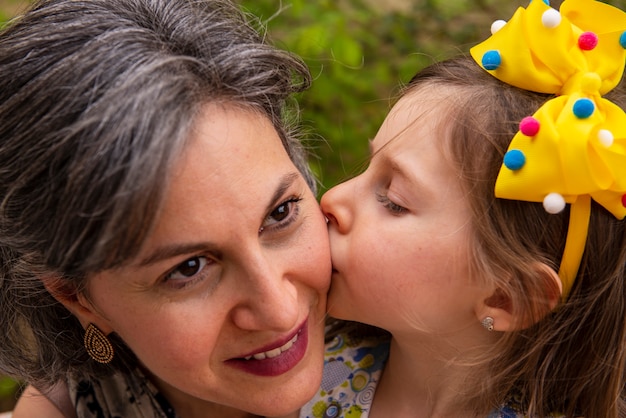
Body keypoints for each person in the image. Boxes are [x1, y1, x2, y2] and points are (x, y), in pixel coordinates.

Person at [0, 0, 332, 417]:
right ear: (79, 299)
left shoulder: (417, 340)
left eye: (280, 214)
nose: (279, 310)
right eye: (188, 268)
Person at [302, 0, 626, 417]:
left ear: (508, 297)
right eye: (367, 168)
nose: (332, 198)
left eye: (392, 201)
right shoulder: (303, 370)